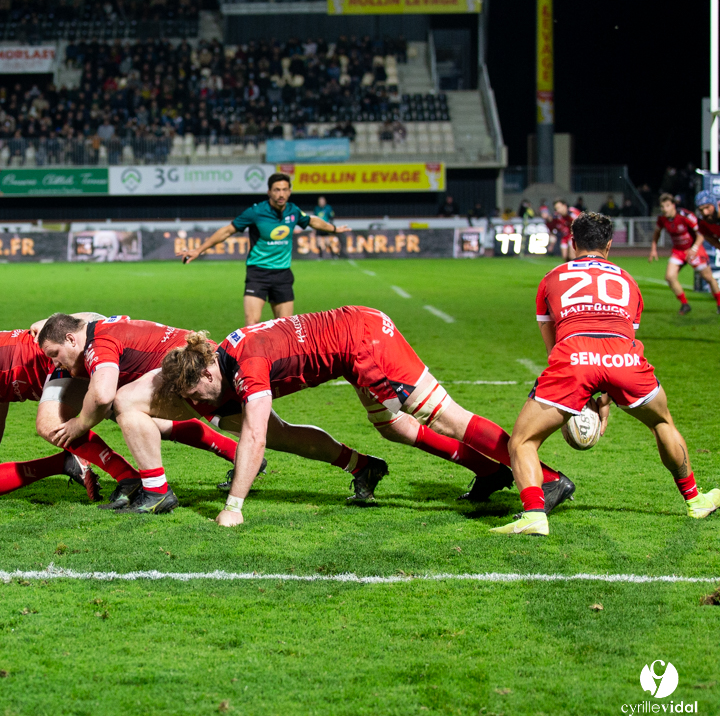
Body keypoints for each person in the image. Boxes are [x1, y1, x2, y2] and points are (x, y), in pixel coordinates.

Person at [154, 309, 576, 527]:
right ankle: (488, 470)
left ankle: (549, 478)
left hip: (365, 343)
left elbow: (256, 437)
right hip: (351, 346)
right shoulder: (223, 358)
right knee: (393, 427)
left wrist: (233, 507)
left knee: (446, 418)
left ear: (207, 373)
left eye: (196, 395)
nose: (199, 403)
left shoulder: (247, 366)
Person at [497, 212, 719, 535]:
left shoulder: (551, 278)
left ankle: (534, 515)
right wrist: (605, 395)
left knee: (522, 441)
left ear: (573, 242)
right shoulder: (628, 280)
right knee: (662, 422)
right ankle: (695, 500)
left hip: (574, 358)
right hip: (624, 360)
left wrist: (579, 395)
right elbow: (623, 337)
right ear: (610, 245)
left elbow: (553, 349)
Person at [37, 314, 252, 514]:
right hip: (204, 363)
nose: (55, 363)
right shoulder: (97, 328)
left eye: (55, 354)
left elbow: (102, 396)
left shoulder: (98, 344)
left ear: (71, 339)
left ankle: (156, 491)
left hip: (193, 374)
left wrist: (79, 424)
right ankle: (239, 455)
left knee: (124, 402)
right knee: (141, 417)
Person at [0, 327, 147, 506]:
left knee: (50, 423)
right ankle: (147, 482)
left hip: (60, 361)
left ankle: (129, 477)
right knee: (132, 411)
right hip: (62, 364)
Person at [179, 173, 349, 327]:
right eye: (276, 190)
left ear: (289, 191)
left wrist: (334, 229)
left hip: (283, 274)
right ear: (269, 192)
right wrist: (198, 250)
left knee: (285, 327)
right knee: (251, 324)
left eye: (284, 190)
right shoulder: (256, 212)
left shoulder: (293, 211)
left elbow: (312, 221)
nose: (281, 194)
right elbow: (227, 231)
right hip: (257, 274)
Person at [648, 192, 720, 315]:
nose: (665, 209)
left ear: (673, 205)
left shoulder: (686, 215)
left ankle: (719, 303)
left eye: (667, 206)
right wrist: (653, 249)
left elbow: (700, 234)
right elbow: (657, 233)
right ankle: (685, 304)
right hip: (678, 251)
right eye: (662, 207)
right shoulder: (662, 219)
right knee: (669, 277)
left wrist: (694, 249)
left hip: (693, 249)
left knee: (708, 278)